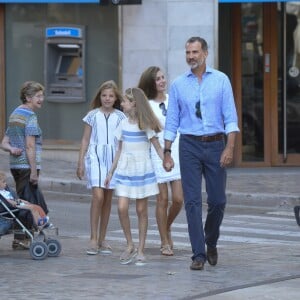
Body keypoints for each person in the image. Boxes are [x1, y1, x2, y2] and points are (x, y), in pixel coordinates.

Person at [163, 37, 239, 271]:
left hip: (216, 144)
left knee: (218, 201)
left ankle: (211, 241)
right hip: (189, 146)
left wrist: (230, 147)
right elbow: (172, 120)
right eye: (188, 52)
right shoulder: (178, 85)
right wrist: (167, 151)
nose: (191, 57)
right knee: (193, 202)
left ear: (205, 53)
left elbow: (231, 117)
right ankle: (198, 254)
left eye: (195, 52)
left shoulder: (221, 80)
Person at [104, 87, 164, 266]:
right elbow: (119, 149)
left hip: (142, 170)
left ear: (134, 104)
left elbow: (156, 146)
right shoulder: (122, 124)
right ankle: (129, 243)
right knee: (122, 208)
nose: (121, 104)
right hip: (124, 168)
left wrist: (165, 161)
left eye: (124, 101)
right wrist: (110, 172)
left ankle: (140, 249)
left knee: (141, 210)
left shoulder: (144, 124)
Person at [77, 80, 126, 255]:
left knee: (107, 198)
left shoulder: (121, 117)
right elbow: (85, 140)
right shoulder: (92, 115)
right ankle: (92, 238)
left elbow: (122, 143)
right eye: (104, 95)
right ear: (100, 97)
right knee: (98, 196)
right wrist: (80, 161)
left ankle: (102, 239)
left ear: (115, 98)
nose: (107, 98)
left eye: (111, 96)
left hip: (113, 159)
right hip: (95, 156)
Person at [138, 66, 183, 256]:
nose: (162, 81)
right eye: (158, 79)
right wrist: (162, 154)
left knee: (179, 200)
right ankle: (165, 241)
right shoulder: (147, 104)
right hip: (157, 152)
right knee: (162, 199)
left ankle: (166, 226)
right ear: (151, 82)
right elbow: (149, 132)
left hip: (178, 149)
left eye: (163, 77)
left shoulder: (173, 100)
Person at [1, 81, 48, 249]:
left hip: (16, 166)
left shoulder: (15, 114)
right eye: (38, 96)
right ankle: (21, 239)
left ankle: (24, 236)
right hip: (27, 166)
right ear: (28, 98)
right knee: (26, 203)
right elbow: (30, 146)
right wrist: (34, 171)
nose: (42, 99)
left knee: (25, 199)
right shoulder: (30, 116)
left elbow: (4, 143)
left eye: (42, 95)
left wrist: (12, 149)